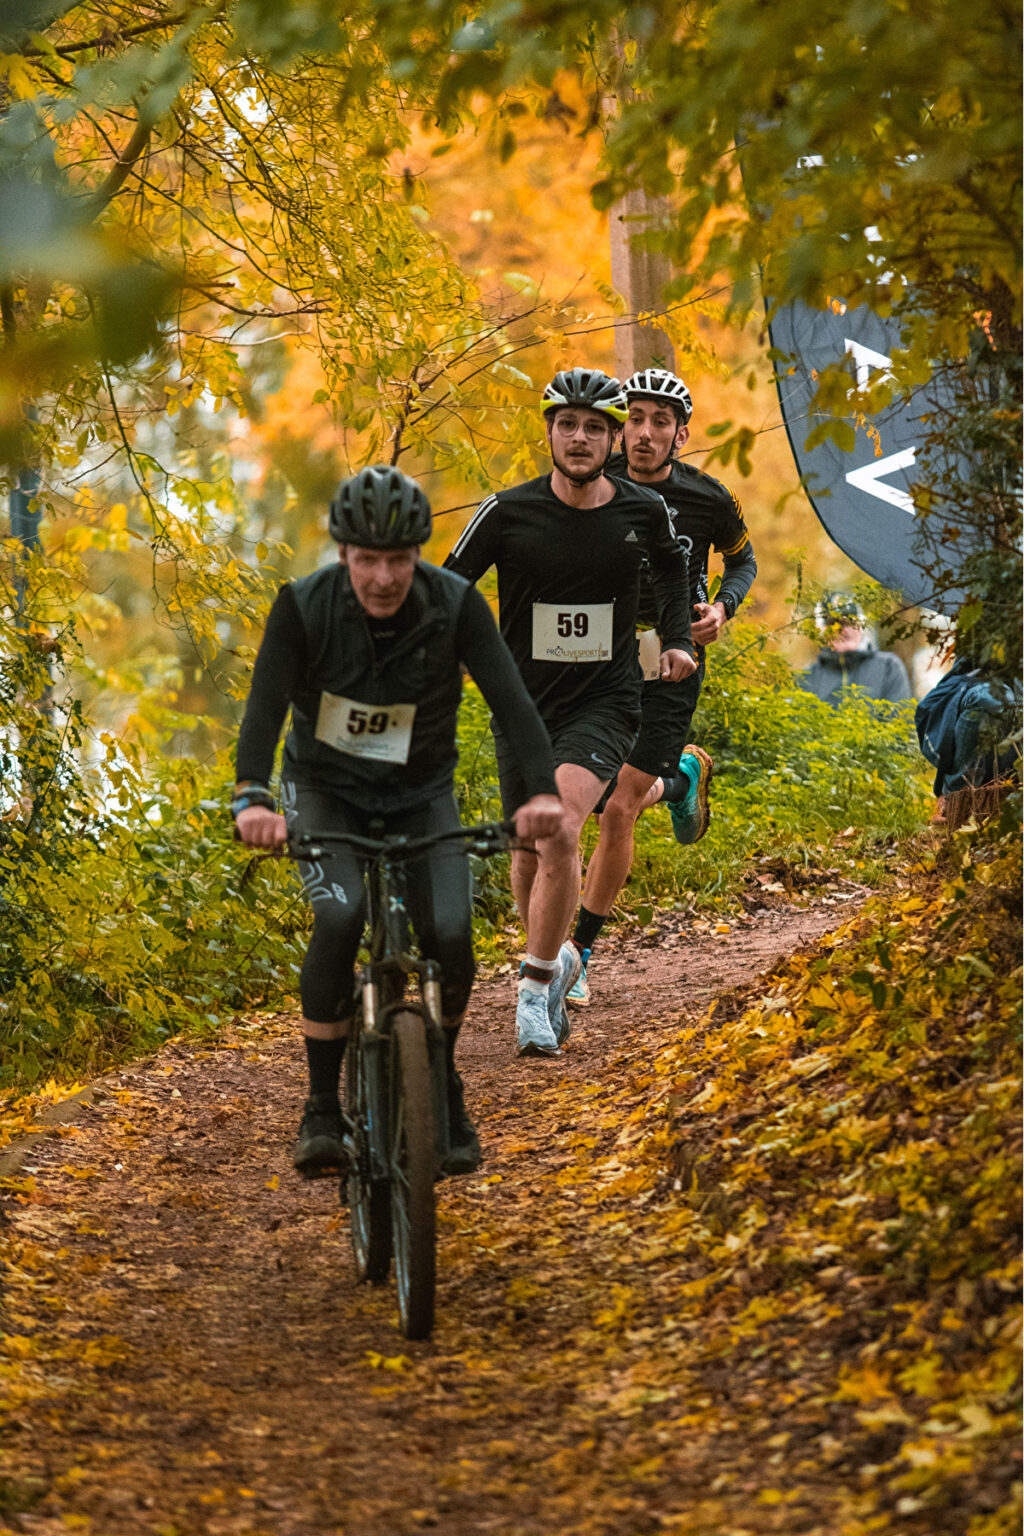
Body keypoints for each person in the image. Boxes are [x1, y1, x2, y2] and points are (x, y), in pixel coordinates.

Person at [232, 466, 563, 1178]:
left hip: (420, 794)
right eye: (367, 560)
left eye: (399, 560)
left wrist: (541, 794)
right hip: (325, 790)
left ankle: (441, 1082)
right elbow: (263, 708)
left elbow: (513, 703)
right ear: (343, 554)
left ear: (418, 555)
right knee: (340, 915)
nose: (383, 578)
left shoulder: (456, 605)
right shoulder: (303, 607)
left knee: (450, 933)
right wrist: (252, 798)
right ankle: (323, 1106)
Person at [444, 367, 696, 1057]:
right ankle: (554, 962)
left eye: (593, 428)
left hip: (605, 700)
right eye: (567, 426)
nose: (579, 438)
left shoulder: (643, 509)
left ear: (611, 440)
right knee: (529, 848)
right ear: (549, 433)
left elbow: (672, 569)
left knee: (558, 825)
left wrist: (676, 639)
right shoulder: (507, 512)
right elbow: (449, 587)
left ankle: (532, 992)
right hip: (522, 705)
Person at [564, 367, 758, 1003]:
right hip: (602, 657)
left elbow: (743, 559)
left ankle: (579, 954)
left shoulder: (708, 497)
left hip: (675, 658)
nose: (645, 433)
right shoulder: (596, 485)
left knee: (620, 806)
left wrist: (722, 607)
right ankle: (681, 780)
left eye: (660, 422)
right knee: (595, 798)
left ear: (681, 434)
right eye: (636, 420)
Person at [800, 592, 912, 708]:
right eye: (834, 623)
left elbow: (899, 717)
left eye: (850, 622)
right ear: (823, 630)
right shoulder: (808, 678)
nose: (843, 630)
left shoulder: (888, 667)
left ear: (860, 627)